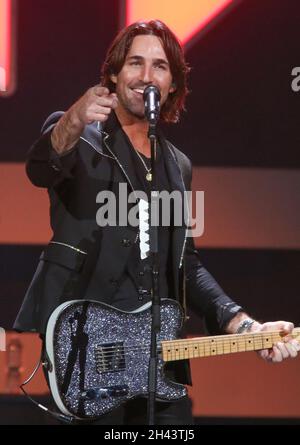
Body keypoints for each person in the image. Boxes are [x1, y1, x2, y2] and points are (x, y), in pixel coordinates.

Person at [14, 20, 300, 425]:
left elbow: (188, 267)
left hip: (160, 369)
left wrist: (247, 326)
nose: (146, 76)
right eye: (135, 63)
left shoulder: (177, 166)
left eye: (160, 67)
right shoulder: (79, 133)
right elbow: (41, 168)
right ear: (114, 74)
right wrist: (72, 122)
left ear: (171, 86)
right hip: (89, 359)